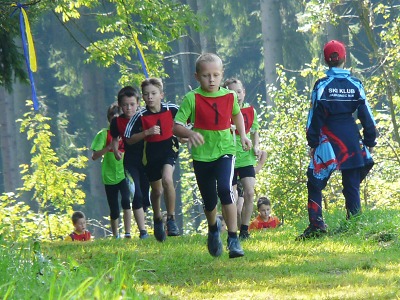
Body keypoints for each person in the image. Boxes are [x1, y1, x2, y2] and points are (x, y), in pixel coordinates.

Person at [173, 53, 252, 258]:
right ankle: (213, 229)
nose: (211, 80)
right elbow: (176, 126)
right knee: (209, 199)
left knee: (226, 190)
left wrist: (242, 135)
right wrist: (190, 133)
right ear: (197, 76)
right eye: (206, 75)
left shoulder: (229, 96)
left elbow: (237, 114)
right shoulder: (192, 98)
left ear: (221, 74)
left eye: (216, 75)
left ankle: (233, 239)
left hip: (226, 150)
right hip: (201, 156)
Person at [297, 40, 377, 240]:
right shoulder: (355, 84)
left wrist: (313, 142)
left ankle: (316, 225)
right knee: (351, 183)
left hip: (327, 139)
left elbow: (315, 115)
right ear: (344, 58)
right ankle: (354, 223)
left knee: (314, 182)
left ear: (326, 60)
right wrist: (370, 141)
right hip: (350, 139)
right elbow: (367, 116)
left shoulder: (322, 85)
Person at [124, 78, 180, 242]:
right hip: (150, 154)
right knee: (156, 191)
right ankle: (157, 218)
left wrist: (185, 133)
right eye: (146, 94)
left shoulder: (172, 109)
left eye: (154, 93)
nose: (150, 97)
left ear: (161, 95)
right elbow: (128, 138)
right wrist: (146, 133)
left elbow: (188, 120)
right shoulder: (140, 115)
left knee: (168, 180)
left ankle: (171, 219)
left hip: (169, 149)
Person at [223, 78, 261, 240]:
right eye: (232, 92)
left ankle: (245, 230)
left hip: (246, 156)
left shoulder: (251, 111)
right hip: (229, 156)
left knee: (250, 192)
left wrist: (256, 146)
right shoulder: (224, 110)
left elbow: (255, 131)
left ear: (244, 92)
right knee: (231, 197)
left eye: (239, 91)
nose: (237, 95)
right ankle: (233, 230)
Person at [110, 86, 149, 239]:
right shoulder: (117, 122)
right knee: (136, 194)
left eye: (132, 104)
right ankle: (143, 231)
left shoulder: (143, 117)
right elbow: (114, 139)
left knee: (146, 196)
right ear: (120, 105)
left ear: (138, 103)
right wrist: (115, 151)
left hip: (147, 160)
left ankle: (149, 220)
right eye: (125, 105)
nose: (128, 108)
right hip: (130, 163)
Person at [91, 102, 132, 238]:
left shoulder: (126, 132)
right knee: (114, 209)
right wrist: (108, 148)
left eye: (117, 117)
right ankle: (116, 236)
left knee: (126, 201)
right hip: (109, 177)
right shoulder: (103, 134)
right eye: (112, 118)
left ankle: (127, 233)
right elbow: (94, 156)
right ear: (108, 119)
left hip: (123, 174)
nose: (115, 121)